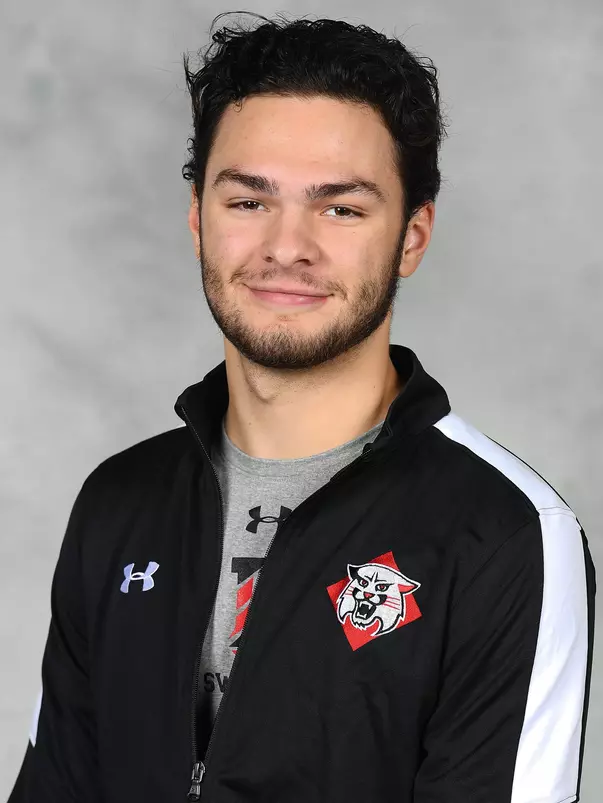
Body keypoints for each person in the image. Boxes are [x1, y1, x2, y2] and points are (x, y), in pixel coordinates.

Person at [9, 11, 595, 803]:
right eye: (249, 202)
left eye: (340, 207)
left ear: (412, 237)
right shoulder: (120, 502)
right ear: (197, 219)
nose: (287, 247)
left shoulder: (504, 532)